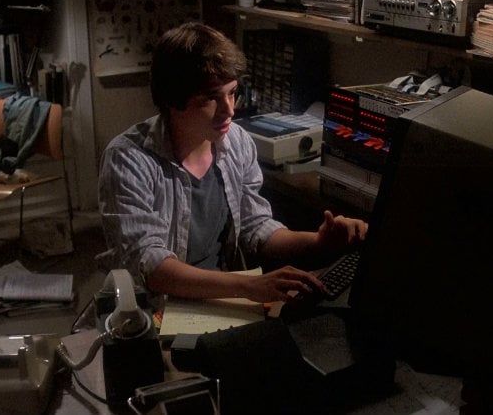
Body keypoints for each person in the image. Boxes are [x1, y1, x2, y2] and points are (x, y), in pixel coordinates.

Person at [98, 22, 367, 311]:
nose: (229, 110)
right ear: (173, 99)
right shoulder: (128, 159)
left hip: (221, 299)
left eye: (232, 92)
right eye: (211, 98)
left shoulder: (236, 141)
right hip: (157, 307)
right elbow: (151, 266)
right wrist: (247, 286)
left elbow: (255, 227)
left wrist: (318, 241)